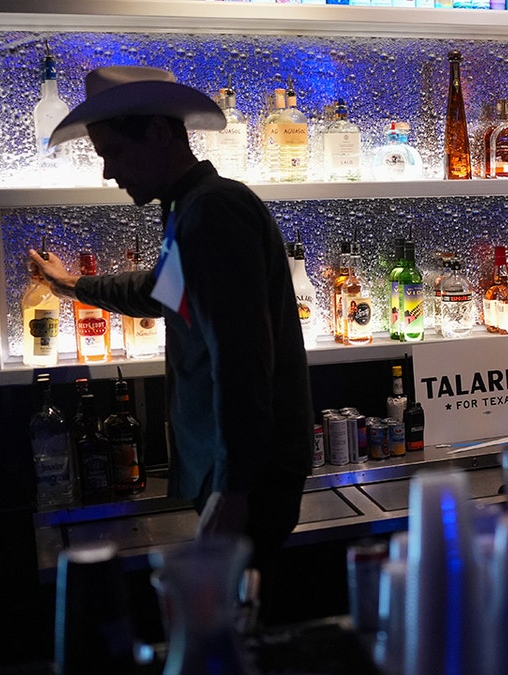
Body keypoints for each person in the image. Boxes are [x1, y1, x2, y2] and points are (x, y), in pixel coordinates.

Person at [27, 66, 314, 603]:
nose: (109, 173)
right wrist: (73, 285)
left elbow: (242, 359)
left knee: (236, 637)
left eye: (110, 152)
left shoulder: (211, 213)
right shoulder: (192, 208)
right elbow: (160, 291)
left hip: (248, 480)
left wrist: (233, 488)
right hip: (240, 474)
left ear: (159, 132)